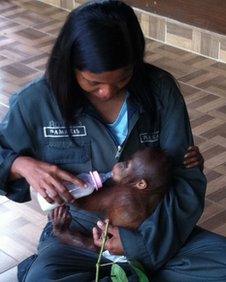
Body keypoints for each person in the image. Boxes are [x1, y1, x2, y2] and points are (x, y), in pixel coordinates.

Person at [0, 0, 225, 281]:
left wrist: (140, 244)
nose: (106, 92)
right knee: (45, 278)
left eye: (122, 79)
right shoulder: (37, 102)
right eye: (93, 82)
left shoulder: (160, 91)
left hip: (159, 232)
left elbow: (186, 182)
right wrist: (20, 165)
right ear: (71, 65)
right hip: (80, 233)